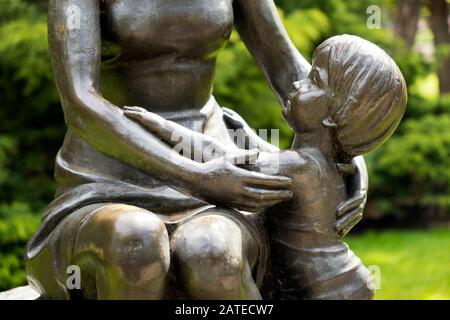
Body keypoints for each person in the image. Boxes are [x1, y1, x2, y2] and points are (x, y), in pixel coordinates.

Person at [26, 0, 368, 299]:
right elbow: (81, 103)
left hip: (217, 170)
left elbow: (289, 68)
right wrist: (196, 177)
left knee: (214, 253)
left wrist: (346, 151)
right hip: (107, 177)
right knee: (134, 241)